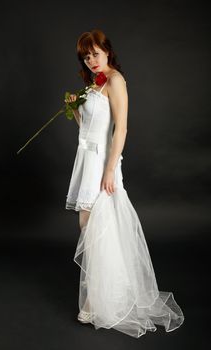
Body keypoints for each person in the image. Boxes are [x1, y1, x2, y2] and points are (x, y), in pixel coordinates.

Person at [64, 29, 184, 338]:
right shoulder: (94, 83)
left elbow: (121, 129)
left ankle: (98, 301)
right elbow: (89, 129)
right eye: (86, 55)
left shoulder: (115, 81)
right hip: (87, 160)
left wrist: (109, 169)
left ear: (107, 51)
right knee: (89, 229)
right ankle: (100, 296)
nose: (91, 60)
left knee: (98, 230)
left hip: (103, 163)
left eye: (95, 53)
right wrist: (74, 109)